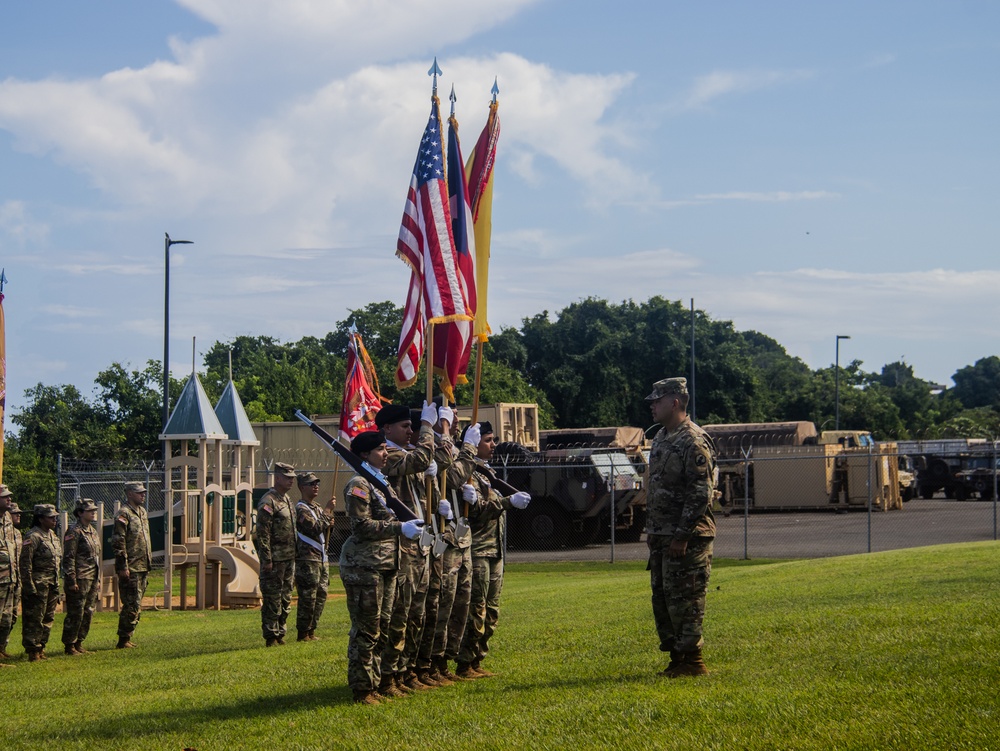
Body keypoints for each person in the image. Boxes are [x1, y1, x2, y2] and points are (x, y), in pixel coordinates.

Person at [339, 430, 424, 705]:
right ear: (364, 454)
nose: (386, 453)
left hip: (386, 565)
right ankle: (362, 690)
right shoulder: (359, 485)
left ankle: (378, 684)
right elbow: (360, 527)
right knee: (367, 630)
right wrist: (400, 528)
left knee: (383, 627)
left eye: (386, 449)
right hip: (364, 567)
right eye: (380, 449)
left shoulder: (379, 483)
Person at [644, 376, 717, 678]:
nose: (652, 406)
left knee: (686, 599)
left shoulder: (693, 440)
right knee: (663, 599)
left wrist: (682, 535)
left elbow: (700, 492)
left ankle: (693, 660)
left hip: (687, 537)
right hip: (662, 536)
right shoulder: (661, 437)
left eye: (656, 401)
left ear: (674, 402)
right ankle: (677, 657)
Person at [376, 401, 444, 694]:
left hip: (421, 545)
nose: (411, 430)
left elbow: (421, 496)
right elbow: (416, 461)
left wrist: (436, 492)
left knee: (419, 613)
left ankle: (408, 671)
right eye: (405, 426)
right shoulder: (387, 455)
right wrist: (429, 427)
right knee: (399, 615)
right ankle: (388, 676)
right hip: (402, 547)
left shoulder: (409, 454)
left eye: (414, 426)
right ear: (387, 429)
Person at [455, 421, 531, 678]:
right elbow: (475, 512)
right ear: (474, 442)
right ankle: (465, 662)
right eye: (488, 440)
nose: (493, 444)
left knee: (492, 610)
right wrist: (508, 502)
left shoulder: (487, 472)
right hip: (477, 549)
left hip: (495, 550)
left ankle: (478, 659)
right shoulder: (467, 474)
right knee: (476, 609)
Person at [253, 461, 298, 647]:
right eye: (287, 478)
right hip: (275, 559)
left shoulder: (286, 500)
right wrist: (267, 558)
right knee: (273, 597)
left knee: (286, 597)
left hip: (289, 557)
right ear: (277, 478)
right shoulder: (268, 501)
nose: (291, 481)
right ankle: (271, 635)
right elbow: (263, 533)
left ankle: (280, 632)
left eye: (292, 478)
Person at [294, 471, 335, 642]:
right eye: (312, 484)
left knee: (321, 595)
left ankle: (312, 629)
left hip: (321, 557)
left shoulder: (317, 507)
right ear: (302, 487)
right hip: (308, 559)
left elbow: (324, 528)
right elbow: (313, 528)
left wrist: (329, 521)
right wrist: (327, 511)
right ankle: (303, 632)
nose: (316, 486)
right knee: (308, 597)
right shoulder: (301, 509)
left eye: (317, 483)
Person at [112, 481, 153, 649]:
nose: (143, 494)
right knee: (131, 604)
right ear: (129, 494)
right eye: (139, 492)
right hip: (131, 566)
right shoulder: (123, 514)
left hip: (143, 565)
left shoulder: (142, 512)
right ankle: (123, 639)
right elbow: (118, 541)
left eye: (143, 492)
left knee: (137, 604)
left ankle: (128, 636)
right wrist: (123, 566)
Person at [19, 504, 62, 661]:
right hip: (37, 585)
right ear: (41, 519)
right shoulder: (33, 536)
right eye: (51, 517)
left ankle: (41, 647)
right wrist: (29, 586)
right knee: (34, 619)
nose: (54, 520)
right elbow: (25, 563)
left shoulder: (53, 536)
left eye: (55, 517)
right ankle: (32, 650)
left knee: (48, 618)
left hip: (52, 583)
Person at [61, 499, 102, 655]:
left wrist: (98, 579)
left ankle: (79, 642)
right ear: (80, 513)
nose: (93, 512)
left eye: (94, 510)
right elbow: (69, 557)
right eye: (89, 510)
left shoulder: (92, 530)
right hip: (80, 577)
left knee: (88, 611)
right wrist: (72, 580)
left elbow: (96, 556)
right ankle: (69, 645)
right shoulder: (74, 532)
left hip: (92, 576)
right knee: (76, 612)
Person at [0, 487, 21, 664]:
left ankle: (1, 649)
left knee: (7, 618)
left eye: (9, 497)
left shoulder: (7, 519)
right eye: (5, 497)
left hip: (10, 577)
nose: (9, 500)